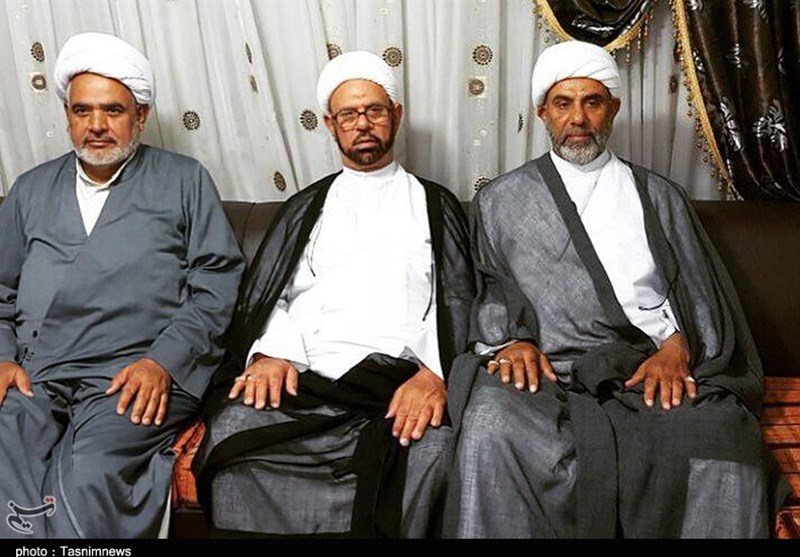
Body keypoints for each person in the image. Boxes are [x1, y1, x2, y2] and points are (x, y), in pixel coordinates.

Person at [444, 40, 784, 538]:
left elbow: (697, 295)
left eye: (593, 102)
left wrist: (676, 346)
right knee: (490, 423)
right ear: (542, 112)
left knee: (723, 435)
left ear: (614, 109)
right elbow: (490, 286)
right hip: (546, 370)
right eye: (563, 103)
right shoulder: (501, 199)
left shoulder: (660, 197)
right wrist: (510, 341)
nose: (578, 118)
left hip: (641, 366)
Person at [193, 51, 474, 538]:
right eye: (348, 114)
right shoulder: (306, 208)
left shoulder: (433, 203)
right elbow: (270, 296)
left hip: (396, 383)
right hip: (309, 377)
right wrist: (272, 353)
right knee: (232, 432)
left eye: (374, 111)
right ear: (330, 124)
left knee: (431, 452)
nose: (362, 124)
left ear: (395, 116)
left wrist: (433, 373)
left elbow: (457, 299)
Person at [0, 32, 244, 538]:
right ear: (67, 115)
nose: (96, 126)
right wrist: (2, 358)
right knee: (7, 455)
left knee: (86, 476)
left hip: (134, 373)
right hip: (40, 371)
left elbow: (216, 283)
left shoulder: (184, 179)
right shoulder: (29, 189)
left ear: (141, 115)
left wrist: (163, 362)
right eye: (82, 110)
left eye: (112, 110)